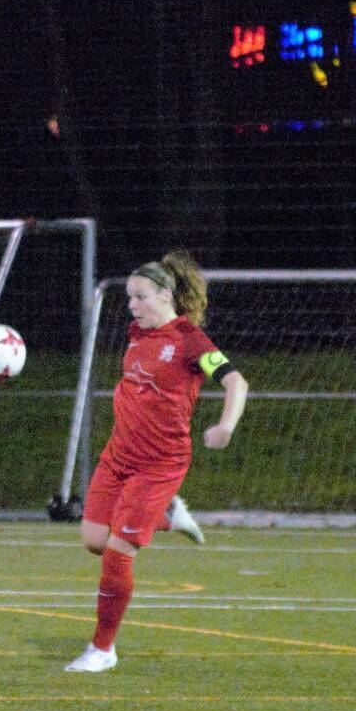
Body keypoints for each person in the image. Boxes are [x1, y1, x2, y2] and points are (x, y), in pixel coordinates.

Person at [65, 251, 248, 673]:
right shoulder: (137, 334)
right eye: (129, 297)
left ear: (166, 295)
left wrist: (225, 427)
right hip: (117, 457)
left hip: (159, 465)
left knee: (117, 554)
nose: (132, 305)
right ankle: (167, 517)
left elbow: (236, 382)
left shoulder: (189, 340)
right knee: (93, 539)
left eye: (141, 297)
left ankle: (102, 649)